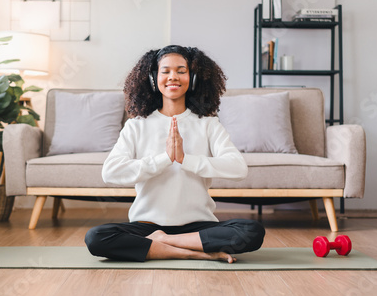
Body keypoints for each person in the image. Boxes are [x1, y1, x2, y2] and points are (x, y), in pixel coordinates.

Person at [85, 45, 265, 263]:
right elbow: (110, 172)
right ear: (153, 78)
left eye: (181, 71)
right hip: (148, 227)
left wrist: (185, 160)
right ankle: (192, 252)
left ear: (193, 78)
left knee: (252, 231)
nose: (173, 77)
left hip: (198, 226)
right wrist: (164, 159)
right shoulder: (137, 126)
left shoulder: (208, 124)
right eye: (166, 71)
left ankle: (164, 244)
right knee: (96, 237)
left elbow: (238, 168)